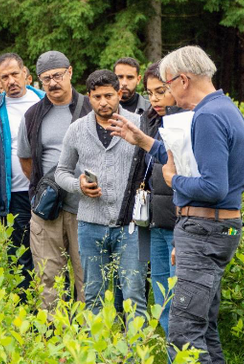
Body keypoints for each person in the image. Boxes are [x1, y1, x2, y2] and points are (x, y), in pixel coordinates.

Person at [109, 46, 244, 363]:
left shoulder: (207, 117)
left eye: (168, 85)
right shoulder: (224, 108)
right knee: (204, 330)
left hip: (205, 228)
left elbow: (213, 186)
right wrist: (143, 140)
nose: (167, 93)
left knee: (184, 336)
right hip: (211, 228)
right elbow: (188, 162)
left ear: (183, 80)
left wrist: (174, 182)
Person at [54, 70, 147, 316]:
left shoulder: (138, 124)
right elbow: (61, 171)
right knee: (92, 294)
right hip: (89, 224)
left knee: (133, 294)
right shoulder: (76, 129)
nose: (103, 102)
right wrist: (79, 185)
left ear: (119, 94)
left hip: (131, 225)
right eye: (97, 97)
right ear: (89, 97)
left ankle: (134, 354)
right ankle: (97, 353)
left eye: (108, 95)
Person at [16, 51, 90, 309]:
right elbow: (27, 162)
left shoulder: (92, 108)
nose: (53, 83)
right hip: (47, 211)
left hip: (88, 209)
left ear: (70, 72)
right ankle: (54, 341)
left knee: (88, 280)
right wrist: (50, 190)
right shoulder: (32, 116)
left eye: (57, 75)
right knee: (49, 280)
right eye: (46, 78)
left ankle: (89, 342)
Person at [0, 53, 44, 296]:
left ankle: (54, 318)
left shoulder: (44, 102)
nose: (11, 80)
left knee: (50, 258)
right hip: (14, 196)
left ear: (26, 74)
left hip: (48, 194)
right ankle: (26, 318)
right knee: (21, 258)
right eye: (5, 77)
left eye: (15, 74)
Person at [131, 61, 181, 336]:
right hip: (155, 221)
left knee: (180, 298)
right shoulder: (150, 119)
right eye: (150, 92)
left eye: (161, 90)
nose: (155, 98)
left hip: (180, 223)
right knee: (162, 299)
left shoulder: (187, 119)